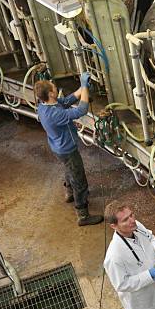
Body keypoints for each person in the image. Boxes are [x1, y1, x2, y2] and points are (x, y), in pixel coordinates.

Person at [35, 72, 103, 226]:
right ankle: (83, 215)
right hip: (67, 149)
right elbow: (81, 111)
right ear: (51, 93)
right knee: (79, 179)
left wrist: (82, 89)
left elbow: (65, 101)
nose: (56, 88)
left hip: (58, 147)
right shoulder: (55, 114)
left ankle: (69, 192)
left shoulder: (44, 105)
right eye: (54, 88)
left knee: (69, 169)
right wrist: (84, 86)